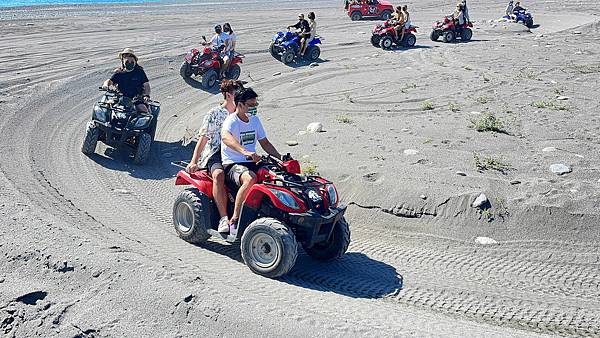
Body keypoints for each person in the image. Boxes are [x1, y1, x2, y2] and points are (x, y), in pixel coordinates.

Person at [186, 80, 244, 233]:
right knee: (218, 175)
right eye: (237, 93)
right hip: (215, 153)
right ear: (228, 95)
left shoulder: (243, 113)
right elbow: (203, 138)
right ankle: (224, 219)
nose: (241, 96)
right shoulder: (214, 114)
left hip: (237, 152)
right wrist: (193, 161)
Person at [220, 88, 283, 228]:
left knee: (276, 175)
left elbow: (265, 143)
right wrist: (245, 152)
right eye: (251, 105)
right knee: (251, 178)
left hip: (252, 161)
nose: (254, 108)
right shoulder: (231, 121)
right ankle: (235, 218)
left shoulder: (255, 120)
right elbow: (226, 137)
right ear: (240, 104)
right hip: (233, 163)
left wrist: (281, 157)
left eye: (256, 105)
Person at [101, 48, 150, 114]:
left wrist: (146, 95)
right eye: (127, 61)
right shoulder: (119, 73)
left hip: (136, 98)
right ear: (123, 61)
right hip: (121, 98)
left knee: (143, 109)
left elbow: (146, 85)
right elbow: (109, 81)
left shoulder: (140, 72)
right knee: (105, 108)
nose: (129, 63)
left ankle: (144, 123)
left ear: (135, 62)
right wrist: (105, 85)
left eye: (132, 62)